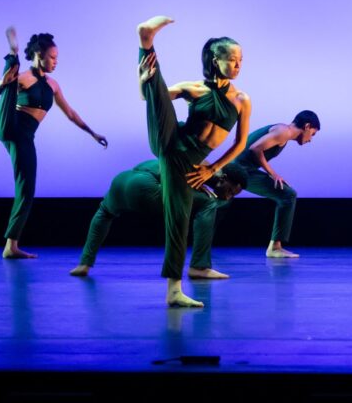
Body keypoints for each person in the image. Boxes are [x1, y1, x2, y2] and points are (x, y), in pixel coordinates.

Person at [137, 16, 251, 308]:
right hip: (172, 143)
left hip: (192, 160)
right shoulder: (194, 88)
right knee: (178, 219)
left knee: (181, 217)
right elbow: (150, 100)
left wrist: (212, 169)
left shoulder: (241, 99)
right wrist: (143, 82)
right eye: (233, 60)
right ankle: (146, 42)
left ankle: (177, 287)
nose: (238, 65)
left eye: (241, 60)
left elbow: (240, 143)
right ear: (216, 59)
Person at [0, 27, 107, 259]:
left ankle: (11, 246)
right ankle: (11, 55)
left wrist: (92, 133)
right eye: (52, 57)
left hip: (24, 136)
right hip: (9, 123)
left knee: (26, 189)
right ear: (38, 55)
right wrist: (2, 84)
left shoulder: (53, 85)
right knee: (11, 83)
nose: (55, 62)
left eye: (57, 58)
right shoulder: (23, 77)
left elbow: (70, 113)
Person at [68, 162, 248, 278]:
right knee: (210, 203)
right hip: (144, 185)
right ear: (223, 178)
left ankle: (84, 264)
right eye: (231, 191)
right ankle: (200, 267)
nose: (228, 198)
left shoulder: (206, 173)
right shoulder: (206, 167)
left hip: (121, 181)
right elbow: (173, 170)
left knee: (104, 212)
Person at [223, 110, 320, 258]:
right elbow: (255, 148)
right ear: (307, 126)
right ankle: (275, 247)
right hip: (241, 170)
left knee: (216, 205)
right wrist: (273, 173)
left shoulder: (282, 131)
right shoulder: (284, 132)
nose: (310, 139)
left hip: (240, 168)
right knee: (288, 195)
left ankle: (275, 246)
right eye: (313, 134)